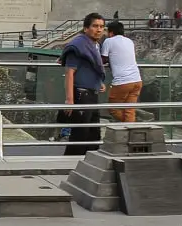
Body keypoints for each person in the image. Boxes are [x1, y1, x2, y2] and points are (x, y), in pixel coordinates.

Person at [59, 13, 106, 156]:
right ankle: (69, 164)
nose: (99, 29)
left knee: (93, 134)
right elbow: (69, 72)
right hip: (81, 94)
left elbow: (90, 67)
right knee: (80, 134)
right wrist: (70, 100)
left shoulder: (93, 45)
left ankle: (89, 165)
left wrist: (99, 82)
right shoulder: (78, 45)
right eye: (95, 26)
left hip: (92, 93)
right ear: (86, 28)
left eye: (102, 26)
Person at [100, 20, 142, 122]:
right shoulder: (129, 41)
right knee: (129, 110)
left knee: (113, 109)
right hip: (137, 80)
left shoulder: (108, 41)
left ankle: (131, 125)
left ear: (111, 32)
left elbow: (102, 59)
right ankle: (132, 130)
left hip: (122, 82)